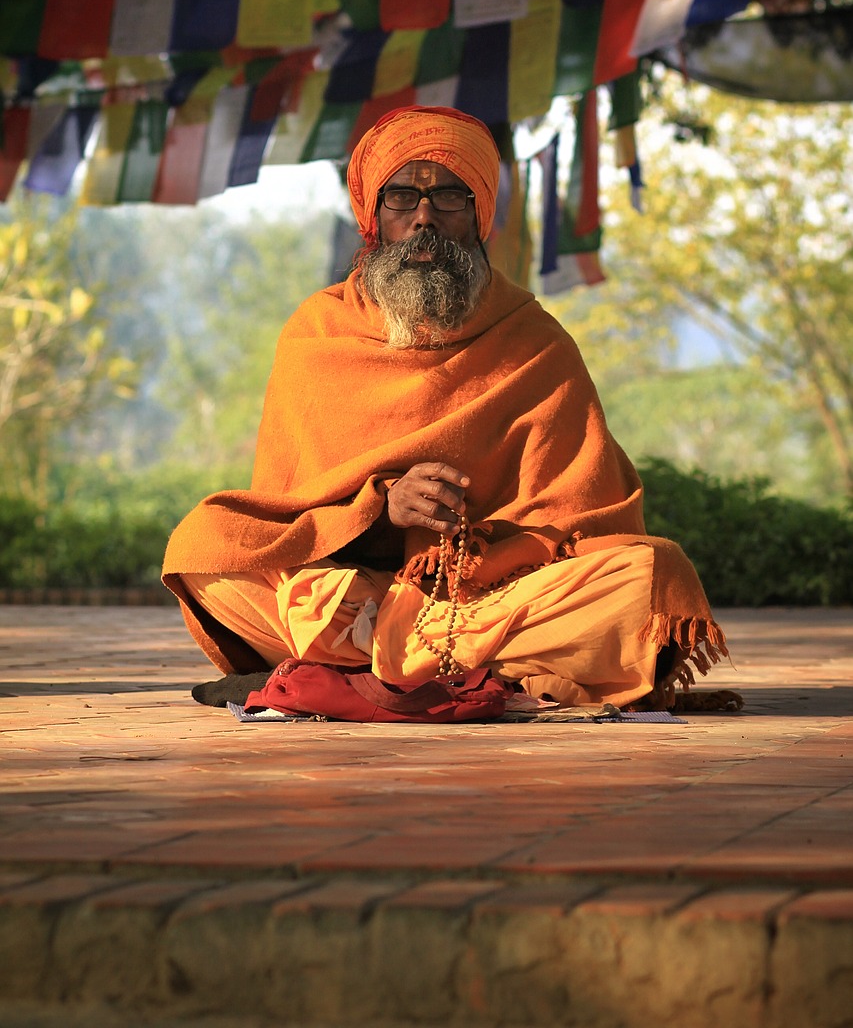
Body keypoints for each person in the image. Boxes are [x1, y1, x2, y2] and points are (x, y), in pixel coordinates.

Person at [162, 105, 728, 710]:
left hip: (492, 595)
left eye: (449, 199)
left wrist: (481, 550)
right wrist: (382, 510)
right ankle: (459, 666)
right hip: (359, 588)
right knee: (207, 546)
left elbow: (581, 518)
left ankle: (362, 663)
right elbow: (289, 517)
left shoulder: (534, 341)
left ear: (479, 215)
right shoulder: (317, 333)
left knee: (649, 579)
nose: (424, 219)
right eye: (401, 198)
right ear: (373, 216)